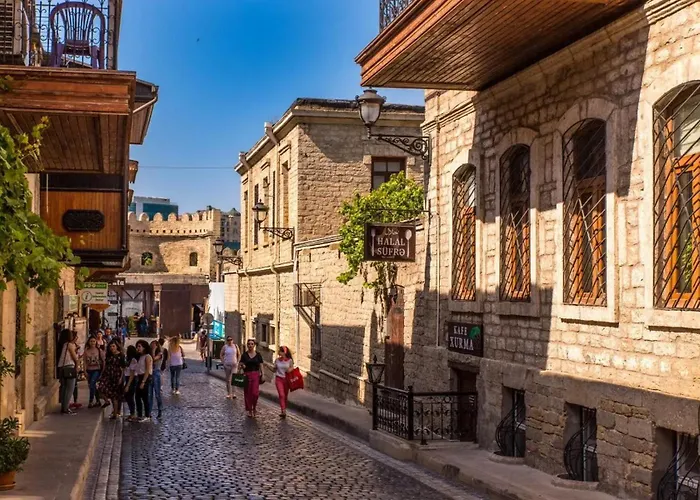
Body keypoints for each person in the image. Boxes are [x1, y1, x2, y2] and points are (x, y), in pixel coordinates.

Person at [125, 340, 153, 422]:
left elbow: (147, 370)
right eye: (137, 346)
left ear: (144, 347)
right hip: (139, 377)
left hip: (145, 377)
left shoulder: (147, 356)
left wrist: (143, 381)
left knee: (145, 397)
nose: (138, 348)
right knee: (137, 397)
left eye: (139, 346)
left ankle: (147, 415)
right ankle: (139, 414)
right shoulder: (140, 357)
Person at [98, 341, 126, 419]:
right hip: (107, 375)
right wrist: (102, 374)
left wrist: (121, 378)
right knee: (100, 388)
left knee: (115, 396)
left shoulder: (121, 355)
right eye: (110, 346)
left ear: (117, 346)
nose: (112, 348)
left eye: (113, 346)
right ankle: (107, 401)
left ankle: (115, 413)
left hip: (116, 376)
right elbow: (105, 365)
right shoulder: (109, 355)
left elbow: (123, 368)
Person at [240, 339, 264, 418]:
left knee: (255, 393)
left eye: (252, 344)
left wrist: (263, 374)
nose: (250, 345)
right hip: (247, 375)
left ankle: (254, 407)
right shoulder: (244, 355)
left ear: (254, 345)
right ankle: (250, 410)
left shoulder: (258, 355)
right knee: (248, 393)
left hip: (255, 375)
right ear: (247, 345)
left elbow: (261, 365)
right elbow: (241, 363)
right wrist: (242, 366)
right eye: (249, 344)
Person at [57, 329, 79, 415]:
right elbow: (74, 358)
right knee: (70, 389)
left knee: (64, 388)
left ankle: (63, 407)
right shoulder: (69, 344)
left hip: (62, 368)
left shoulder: (63, 344)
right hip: (69, 367)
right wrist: (76, 367)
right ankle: (66, 408)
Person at [83, 336, 105, 408]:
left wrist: (103, 371)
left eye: (94, 341)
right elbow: (84, 362)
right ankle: (98, 401)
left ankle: (91, 401)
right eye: (91, 341)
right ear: (89, 342)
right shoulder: (86, 351)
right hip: (89, 370)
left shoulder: (99, 350)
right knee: (92, 386)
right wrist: (84, 371)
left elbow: (103, 361)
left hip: (96, 369)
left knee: (92, 384)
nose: (92, 343)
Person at [274, 346, 294, 418]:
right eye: (279, 351)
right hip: (278, 379)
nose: (280, 353)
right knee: (281, 395)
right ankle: (283, 410)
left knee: (285, 395)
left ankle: (284, 408)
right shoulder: (277, 360)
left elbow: (292, 367)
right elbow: (274, 370)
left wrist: (290, 370)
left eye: (281, 351)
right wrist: (269, 366)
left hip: (286, 379)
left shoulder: (289, 360)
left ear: (285, 352)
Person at [149, 340, 163, 419]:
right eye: (151, 345)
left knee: (157, 394)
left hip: (156, 373)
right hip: (150, 374)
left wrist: (154, 350)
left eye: (154, 345)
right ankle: (149, 412)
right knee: (149, 394)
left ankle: (160, 411)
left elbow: (154, 359)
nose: (152, 346)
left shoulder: (160, 354)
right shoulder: (149, 354)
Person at [123, 345, 138, 421]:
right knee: (127, 396)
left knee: (130, 396)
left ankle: (133, 413)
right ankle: (132, 412)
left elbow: (132, 373)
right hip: (128, 378)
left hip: (131, 379)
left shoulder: (133, 360)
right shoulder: (128, 359)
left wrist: (128, 385)